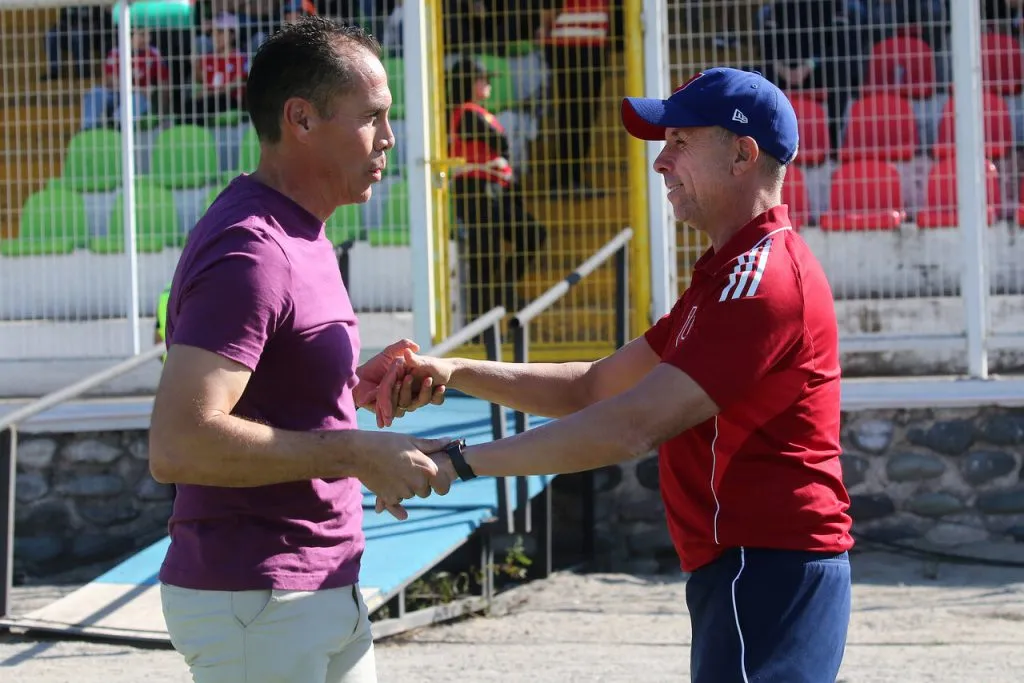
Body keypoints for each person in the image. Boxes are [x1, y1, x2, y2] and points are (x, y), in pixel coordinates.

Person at [382, 67, 854, 683]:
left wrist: (460, 463)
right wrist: (455, 369)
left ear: (743, 154)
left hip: (764, 568)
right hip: (753, 567)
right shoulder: (728, 273)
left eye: (680, 142)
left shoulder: (756, 281)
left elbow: (631, 426)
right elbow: (593, 388)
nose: (661, 163)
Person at [149, 17, 450, 683]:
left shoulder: (301, 231)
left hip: (311, 589)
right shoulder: (250, 249)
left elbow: (265, 392)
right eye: (373, 117)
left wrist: (345, 389)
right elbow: (179, 443)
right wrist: (353, 449)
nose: (390, 140)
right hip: (259, 598)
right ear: (302, 119)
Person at [447, 57, 547, 324]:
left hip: (493, 190)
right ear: (468, 82)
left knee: (528, 235)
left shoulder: (477, 112)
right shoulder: (466, 112)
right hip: (477, 190)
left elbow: (498, 143)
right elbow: (500, 142)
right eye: (482, 78)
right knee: (485, 256)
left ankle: (502, 295)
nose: (488, 83)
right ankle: (482, 323)